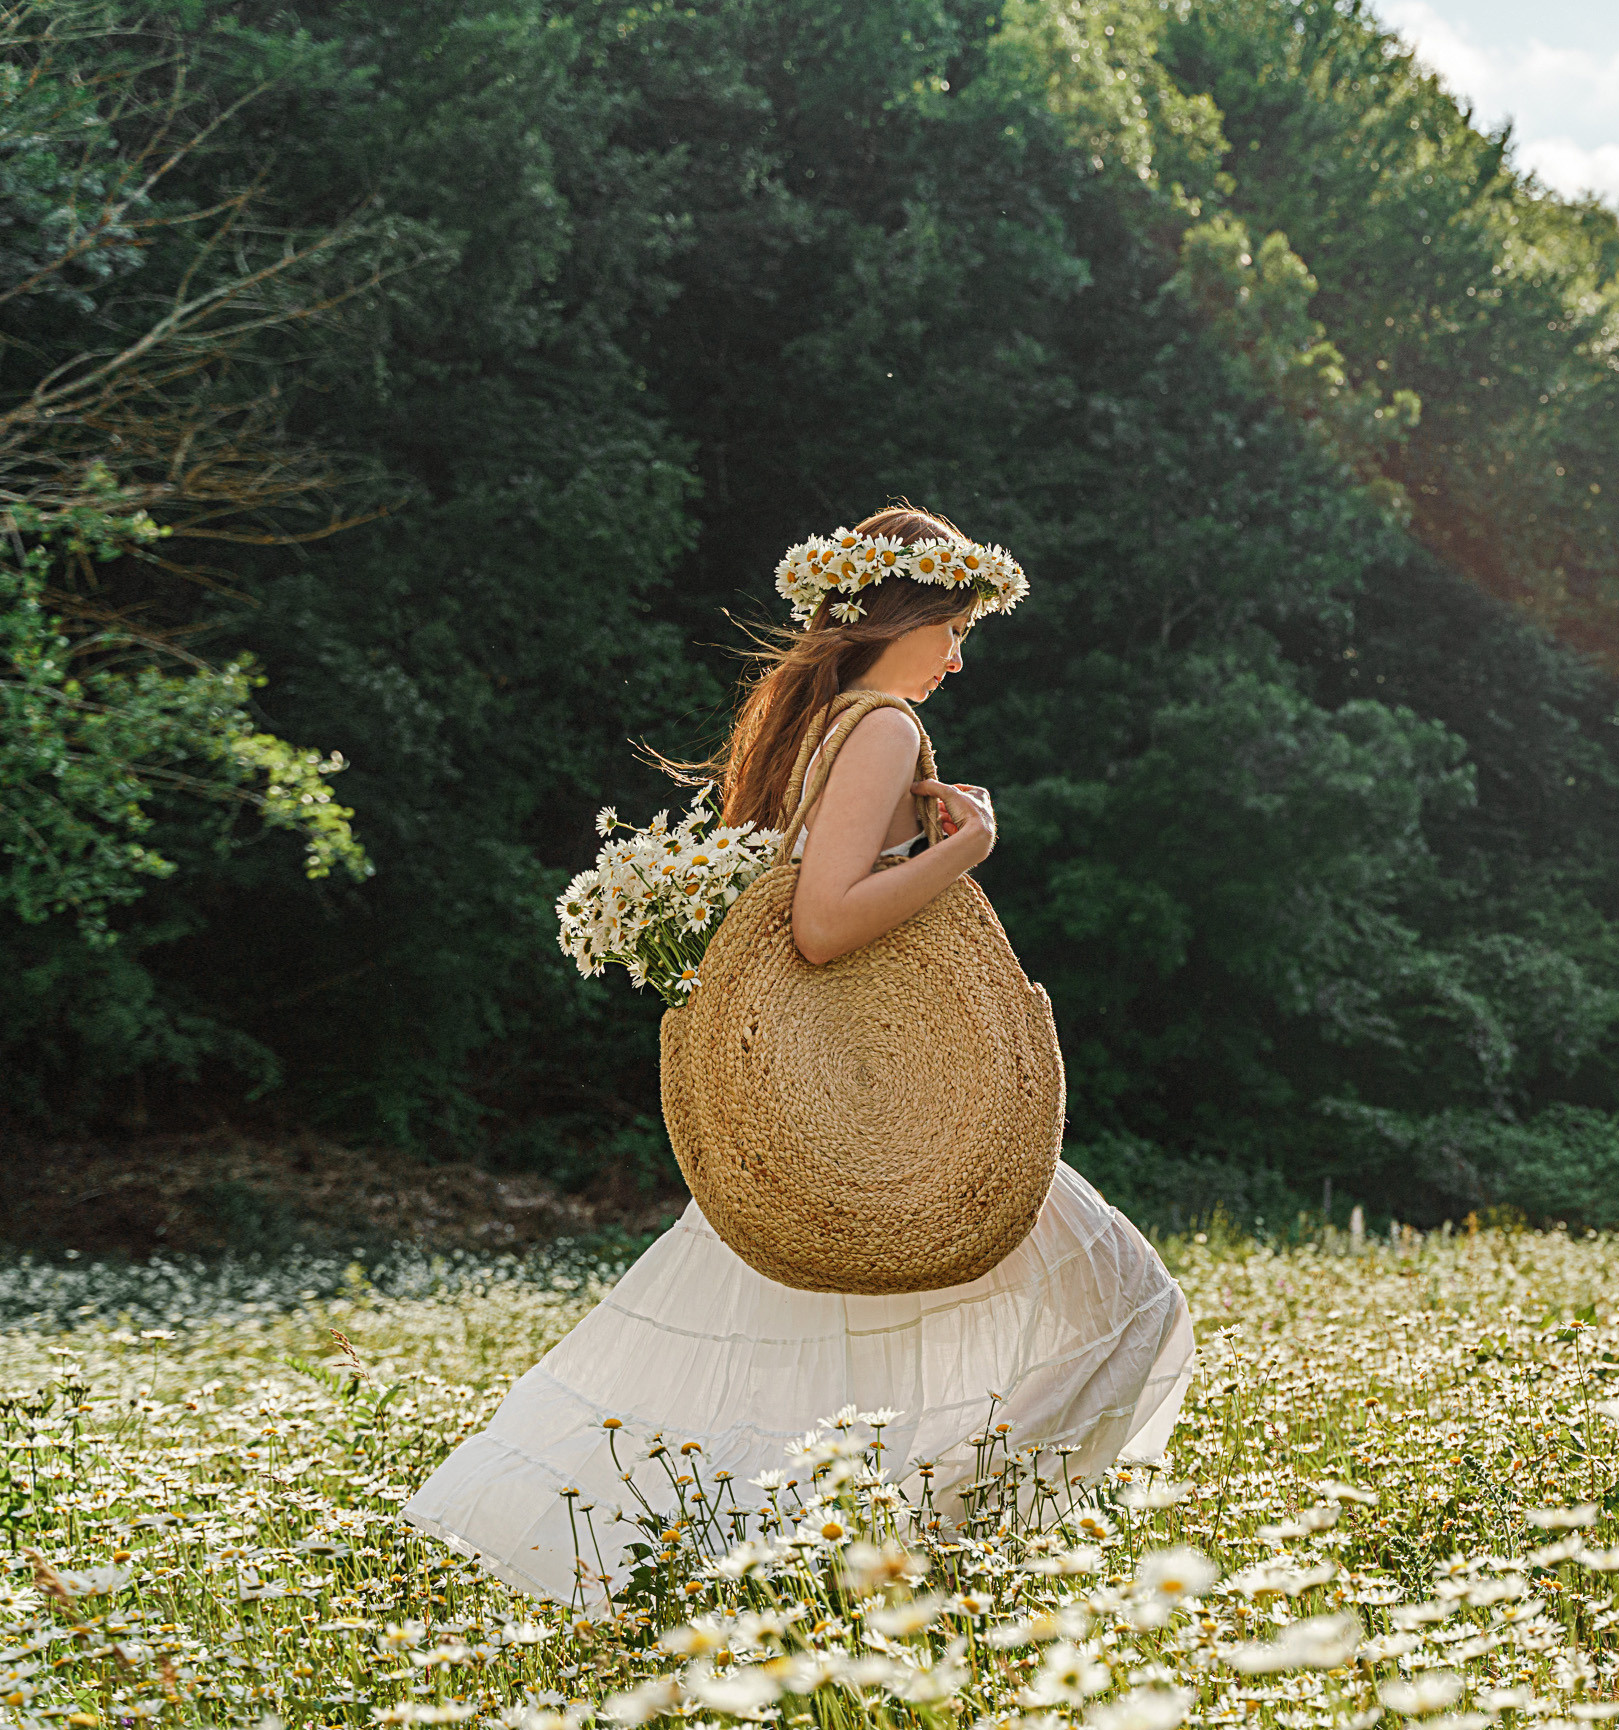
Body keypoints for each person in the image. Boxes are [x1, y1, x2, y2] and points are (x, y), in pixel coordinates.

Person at [403, 504, 1196, 1602]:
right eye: (952, 627)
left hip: (831, 1096)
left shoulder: (822, 724)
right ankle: (939, 1558)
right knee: (1130, 1304)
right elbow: (821, 922)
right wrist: (967, 847)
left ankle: (862, 1566)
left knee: (817, 1360)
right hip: (888, 1101)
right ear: (902, 615)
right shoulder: (880, 727)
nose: (958, 656)